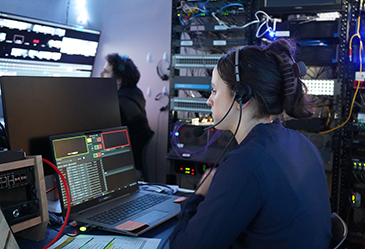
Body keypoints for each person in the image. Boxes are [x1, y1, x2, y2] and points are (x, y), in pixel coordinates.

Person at [169, 39, 332, 248]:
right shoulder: (302, 144)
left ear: (241, 96)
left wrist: (199, 194)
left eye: (214, 90)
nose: (209, 100)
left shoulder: (247, 163)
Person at [100, 53, 154, 178]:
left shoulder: (118, 105)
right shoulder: (135, 94)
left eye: (106, 72)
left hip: (124, 170)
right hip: (133, 165)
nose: (101, 75)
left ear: (118, 80)